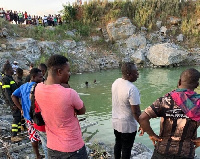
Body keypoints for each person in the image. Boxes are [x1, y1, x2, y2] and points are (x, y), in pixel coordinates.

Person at [139, 68, 200, 159]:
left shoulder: (164, 101)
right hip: (186, 153)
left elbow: (143, 118)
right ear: (197, 85)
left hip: (162, 151)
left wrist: (152, 134)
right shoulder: (198, 104)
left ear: (179, 82)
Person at [35, 54, 87, 158]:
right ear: (59, 72)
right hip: (73, 148)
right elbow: (82, 111)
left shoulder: (38, 88)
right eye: (68, 71)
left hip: (52, 147)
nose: (69, 74)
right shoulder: (69, 93)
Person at [112, 62, 142, 159]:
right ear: (129, 74)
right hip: (127, 125)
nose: (138, 74)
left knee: (118, 144)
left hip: (116, 122)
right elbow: (136, 112)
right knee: (126, 149)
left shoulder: (116, 82)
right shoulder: (132, 89)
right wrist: (142, 123)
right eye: (136, 72)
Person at [12, 68, 44, 159]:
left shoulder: (23, 86)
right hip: (39, 117)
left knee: (33, 136)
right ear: (33, 77)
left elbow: (13, 96)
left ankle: (37, 155)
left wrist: (21, 108)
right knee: (45, 137)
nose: (42, 79)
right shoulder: (39, 87)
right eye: (40, 77)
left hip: (28, 117)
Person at [0, 63, 22, 142]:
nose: (13, 70)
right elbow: (7, 93)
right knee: (16, 117)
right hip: (13, 102)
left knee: (19, 116)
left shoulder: (10, 78)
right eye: (12, 69)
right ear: (9, 70)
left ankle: (18, 132)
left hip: (15, 101)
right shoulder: (5, 79)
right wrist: (13, 104)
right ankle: (14, 136)